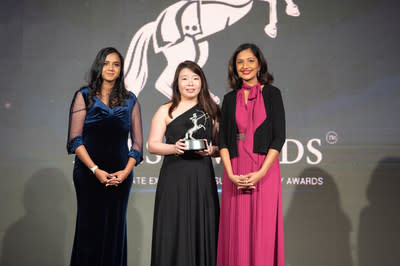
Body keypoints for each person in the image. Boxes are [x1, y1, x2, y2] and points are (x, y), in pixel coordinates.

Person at [66, 47, 143, 266]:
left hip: (120, 175)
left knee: (115, 230)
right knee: (89, 230)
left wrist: (126, 172)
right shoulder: (83, 96)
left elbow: (137, 144)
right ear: (99, 66)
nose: (111, 68)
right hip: (89, 174)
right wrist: (95, 170)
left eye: (116, 64)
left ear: (121, 69)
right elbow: (75, 140)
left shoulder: (130, 100)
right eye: (107, 63)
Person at [217, 43, 286, 266]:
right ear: (234, 68)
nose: (245, 66)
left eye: (250, 61)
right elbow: (224, 140)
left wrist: (260, 173)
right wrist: (230, 174)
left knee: (262, 233)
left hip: (264, 171)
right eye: (240, 62)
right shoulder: (229, 99)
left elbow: (279, 138)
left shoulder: (273, 94)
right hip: (235, 170)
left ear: (259, 65)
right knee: (236, 233)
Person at [148, 60, 220, 266]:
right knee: (173, 228)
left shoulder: (212, 110)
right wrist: (173, 148)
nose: (190, 83)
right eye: (185, 78)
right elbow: (152, 145)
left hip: (202, 179)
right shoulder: (166, 110)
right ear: (177, 83)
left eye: (195, 78)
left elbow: (220, 147)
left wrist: (211, 150)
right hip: (173, 178)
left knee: (201, 227)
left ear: (202, 82)